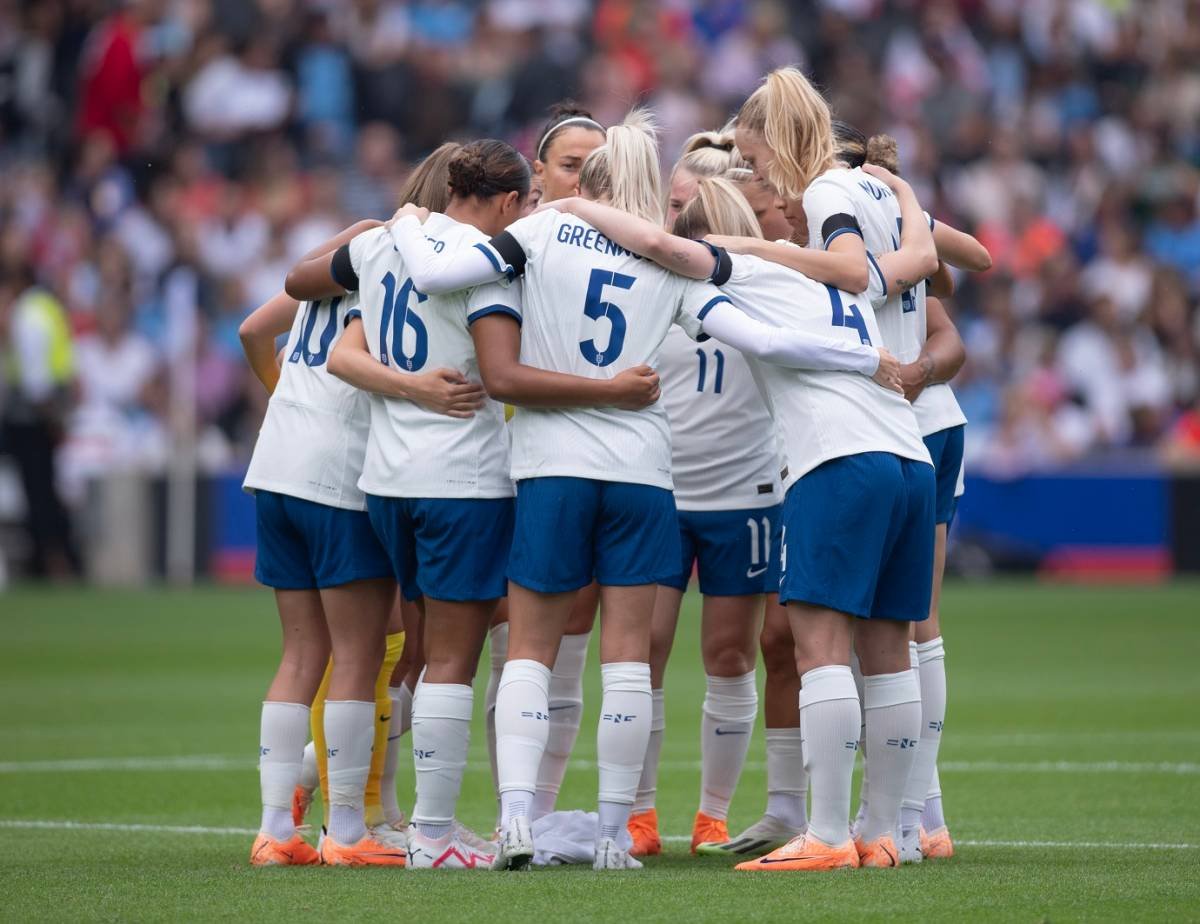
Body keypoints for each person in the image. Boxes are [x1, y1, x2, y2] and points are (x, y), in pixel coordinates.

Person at [386, 112, 900, 871]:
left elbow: (438, 274)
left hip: (553, 466)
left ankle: (519, 821)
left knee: (530, 648)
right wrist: (863, 357)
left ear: (586, 186)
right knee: (628, 658)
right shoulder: (667, 265)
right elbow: (758, 338)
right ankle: (614, 835)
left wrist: (405, 218)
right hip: (642, 476)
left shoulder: (538, 233)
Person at [285, 138, 664, 868]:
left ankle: (381, 812)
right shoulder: (489, 266)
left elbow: (313, 302)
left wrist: (408, 382)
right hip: (461, 479)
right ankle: (432, 836)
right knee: (453, 663)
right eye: (521, 203)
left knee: (422, 652)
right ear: (504, 201)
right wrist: (612, 388)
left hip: (387, 481)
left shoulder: (386, 243)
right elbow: (501, 375)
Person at [550, 174, 939, 871]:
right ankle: (888, 834)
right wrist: (908, 197)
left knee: (821, 650)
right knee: (888, 657)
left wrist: (574, 205)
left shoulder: (744, 270)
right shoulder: (839, 279)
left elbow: (654, 243)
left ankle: (824, 835)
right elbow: (922, 257)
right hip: (909, 458)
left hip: (836, 458)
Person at [241, 219, 478, 867]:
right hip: (341, 475)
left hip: (277, 462)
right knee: (359, 651)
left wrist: (287, 398)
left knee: (301, 652)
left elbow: (253, 330)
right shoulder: (408, 266)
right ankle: (347, 830)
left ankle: (274, 832)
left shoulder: (340, 260)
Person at [622, 128, 780, 858]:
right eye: (676, 199)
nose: (679, 212)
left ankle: (713, 814)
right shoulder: (649, 278)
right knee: (643, 650)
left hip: (744, 492)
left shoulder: (765, 285)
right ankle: (640, 813)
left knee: (728, 654)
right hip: (662, 487)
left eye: (693, 201)